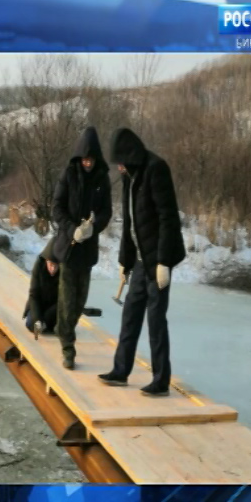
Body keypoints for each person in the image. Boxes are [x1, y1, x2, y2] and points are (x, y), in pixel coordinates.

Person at [98, 127, 186, 396]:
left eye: (121, 161)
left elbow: (168, 218)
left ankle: (161, 381)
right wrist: (124, 260)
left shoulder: (156, 169)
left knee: (156, 320)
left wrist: (163, 262)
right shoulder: (129, 176)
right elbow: (130, 224)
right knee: (130, 315)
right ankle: (121, 371)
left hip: (157, 260)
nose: (119, 167)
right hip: (139, 259)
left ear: (131, 155)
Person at [52, 126, 113, 369]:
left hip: (87, 250)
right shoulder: (68, 175)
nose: (88, 162)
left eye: (91, 159)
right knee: (67, 300)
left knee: (79, 302)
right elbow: (56, 207)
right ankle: (68, 347)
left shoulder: (102, 179)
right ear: (79, 157)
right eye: (84, 158)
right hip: (68, 248)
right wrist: (71, 229)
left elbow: (107, 211)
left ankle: (62, 328)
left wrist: (93, 227)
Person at [23, 237, 60, 336]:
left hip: (55, 307)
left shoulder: (64, 271)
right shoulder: (39, 266)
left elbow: (64, 299)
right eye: (51, 265)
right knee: (31, 324)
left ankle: (48, 325)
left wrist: (47, 318)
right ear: (46, 260)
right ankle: (46, 325)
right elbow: (34, 295)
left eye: (56, 266)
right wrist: (38, 320)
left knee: (59, 325)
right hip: (39, 303)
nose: (53, 269)